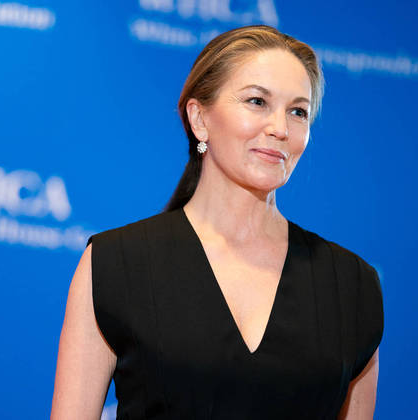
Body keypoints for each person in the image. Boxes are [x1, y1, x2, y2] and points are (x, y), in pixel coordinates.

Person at [51, 24, 384, 419]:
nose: (280, 128)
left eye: (298, 111)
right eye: (257, 101)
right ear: (199, 119)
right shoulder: (116, 264)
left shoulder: (351, 286)